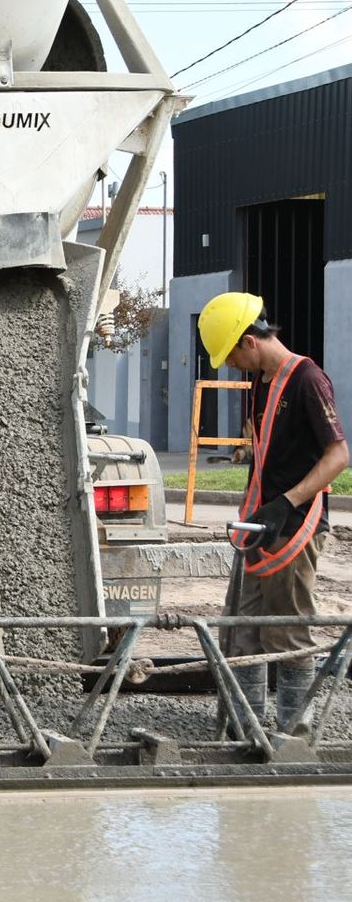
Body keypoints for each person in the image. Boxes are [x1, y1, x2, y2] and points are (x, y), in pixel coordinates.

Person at [198, 292, 347, 735]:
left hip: (293, 527)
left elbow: (339, 455)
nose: (229, 366)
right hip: (260, 525)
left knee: (287, 632)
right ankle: (247, 733)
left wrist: (287, 503)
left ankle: (292, 737)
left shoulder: (307, 380)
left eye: (230, 356)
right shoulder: (263, 380)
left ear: (250, 341)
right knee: (244, 631)